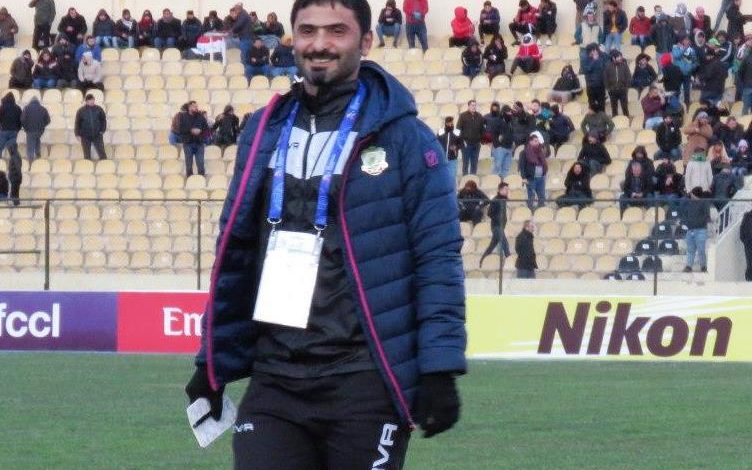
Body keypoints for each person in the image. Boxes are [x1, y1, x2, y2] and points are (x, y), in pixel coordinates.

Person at [185, 1, 466, 467]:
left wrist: (440, 367)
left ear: (366, 41)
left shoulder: (406, 139)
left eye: (337, 31)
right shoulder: (263, 131)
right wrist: (210, 361)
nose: (320, 44)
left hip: (364, 380)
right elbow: (235, 252)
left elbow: (437, 255)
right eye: (308, 31)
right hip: (275, 378)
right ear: (292, 38)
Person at [480, 182, 511, 267]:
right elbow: (489, 213)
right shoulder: (496, 200)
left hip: (501, 226)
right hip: (496, 226)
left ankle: (481, 261)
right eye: (505, 189)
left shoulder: (503, 199)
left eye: (507, 189)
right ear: (500, 190)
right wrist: (498, 218)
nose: (507, 191)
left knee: (492, 246)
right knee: (505, 244)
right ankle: (510, 260)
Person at [0, 91, 23, 205]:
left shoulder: (2, 107)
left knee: (0, 146)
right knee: (12, 148)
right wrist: (17, 129)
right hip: (14, 131)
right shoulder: (18, 108)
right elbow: (21, 120)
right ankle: (12, 155)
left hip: (4, 130)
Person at [682, 186, 711, 272]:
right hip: (690, 230)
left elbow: (706, 216)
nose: (690, 195)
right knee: (690, 250)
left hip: (700, 230)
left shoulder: (704, 203)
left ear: (695, 194)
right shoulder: (689, 204)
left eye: (692, 194)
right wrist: (687, 224)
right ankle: (689, 266)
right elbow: (686, 215)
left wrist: (697, 223)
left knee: (701, 250)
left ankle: (703, 266)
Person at [519, 131, 548, 210]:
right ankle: (530, 210)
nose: (537, 143)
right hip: (531, 178)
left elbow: (544, 162)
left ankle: (541, 210)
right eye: (535, 141)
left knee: (542, 196)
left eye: (537, 141)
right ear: (530, 141)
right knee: (531, 196)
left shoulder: (540, 151)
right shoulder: (524, 152)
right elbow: (522, 166)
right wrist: (523, 177)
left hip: (541, 178)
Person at [485, 102, 514, 178]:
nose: (510, 114)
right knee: (497, 168)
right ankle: (494, 182)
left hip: (509, 148)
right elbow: (493, 134)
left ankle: (503, 183)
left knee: (506, 169)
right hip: (500, 148)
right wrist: (498, 146)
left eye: (510, 112)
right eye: (508, 112)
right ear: (504, 112)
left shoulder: (511, 122)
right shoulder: (497, 121)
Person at [179, 100, 208, 176]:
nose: (196, 108)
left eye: (196, 106)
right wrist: (191, 130)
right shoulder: (183, 116)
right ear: (189, 107)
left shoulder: (201, 116)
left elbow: (207, 130)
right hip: (188, 144)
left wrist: (200, 131)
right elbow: (180, 129)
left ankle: (201, 179)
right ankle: (189, 180)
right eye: (194, 106)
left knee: (201, 164)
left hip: (199, 143)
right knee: (189, 165)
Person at [74, 94, 107, 160]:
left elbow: (103, 120)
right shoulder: (81, 111)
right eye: (90, 100)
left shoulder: (99, 109)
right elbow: (77, 123)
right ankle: (87, 166)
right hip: (85, 136)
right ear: (86, 101)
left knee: (102, 153)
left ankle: (105, 164)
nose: (92, 101)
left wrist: (102, 130)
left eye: (92, 100)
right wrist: (77, 134)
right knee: (86, 155)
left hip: (97, 135)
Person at [457, 100, 484, 175]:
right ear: (468, 106)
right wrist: (462, 142)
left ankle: (473, 179)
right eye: (472, 105)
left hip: (476, 144)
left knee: (474, 163)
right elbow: (458, 129)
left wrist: (481, 140)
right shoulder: (463, 116)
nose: (474, 107)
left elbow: (482, 130)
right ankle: (465, 179)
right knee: (465, 163)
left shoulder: (479, 116)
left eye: (475, 105)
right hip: (466, 144)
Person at [672, 34, 699, 108]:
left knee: (687, 92)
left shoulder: (692, 50)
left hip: (687, 74)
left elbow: (695, 62)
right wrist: (684, 49)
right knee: (677, 91)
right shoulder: (676, 48)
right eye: (686, 39)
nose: (687, 41)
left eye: (688, 40)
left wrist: (691, 67)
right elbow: (676, 56)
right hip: (678, 74)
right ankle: (675, 107)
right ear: (682, 40)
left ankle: (687, 107)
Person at [20, 96, 50, 163]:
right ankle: (38, 154)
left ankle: (30, 160)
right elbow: (48, 120)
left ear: (31, 101)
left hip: (30, 130)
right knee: (37, 140)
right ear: (38, 101)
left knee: (30, 145)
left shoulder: (26, 108)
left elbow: (22, 120)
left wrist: (25, 128)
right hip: (40, 131)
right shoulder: (43, 109)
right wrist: (42, 126)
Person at [604, 49, 632, 117]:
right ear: (613, 58)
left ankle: (626, 120)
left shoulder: (624, 65)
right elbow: (605, 78)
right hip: (612, 91)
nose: (620, 58)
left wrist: (626, 88)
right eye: (618, 57)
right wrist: (608, 89)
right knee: (614, 108)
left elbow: (628, 77)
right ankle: (615, 121)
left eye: (620, 56)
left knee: (625, 108)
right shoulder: (608, 66)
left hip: (623, 90)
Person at [581, 43, 607, 112]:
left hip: (600, 85)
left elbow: (604, 67)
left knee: (602, 105)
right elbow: (586, 70)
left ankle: (602, 117)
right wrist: (594, 61)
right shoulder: (585, 59)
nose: (595, 52)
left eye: (596, 50)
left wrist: (603, 52)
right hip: (591, 86)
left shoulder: (600, 58)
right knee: (592, 105)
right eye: (594, 50)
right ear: (590, 51)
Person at [437, 116, 463, 180]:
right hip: (442, 158)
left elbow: (461, 144)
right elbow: (437, 144)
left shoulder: (457, 132)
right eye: (448, 123)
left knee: (452, 176)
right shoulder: (440, 132)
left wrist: (456, 147)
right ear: (446, 123)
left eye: (451, 123)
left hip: (452, 158)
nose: (450, 124)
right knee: (442, 177)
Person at [739, 209, 752, 280]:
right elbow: (742, 228)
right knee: (750, 263)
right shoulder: (747, 216)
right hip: (749, 245)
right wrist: (745, 241)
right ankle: (749, 280)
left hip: (748, 244)